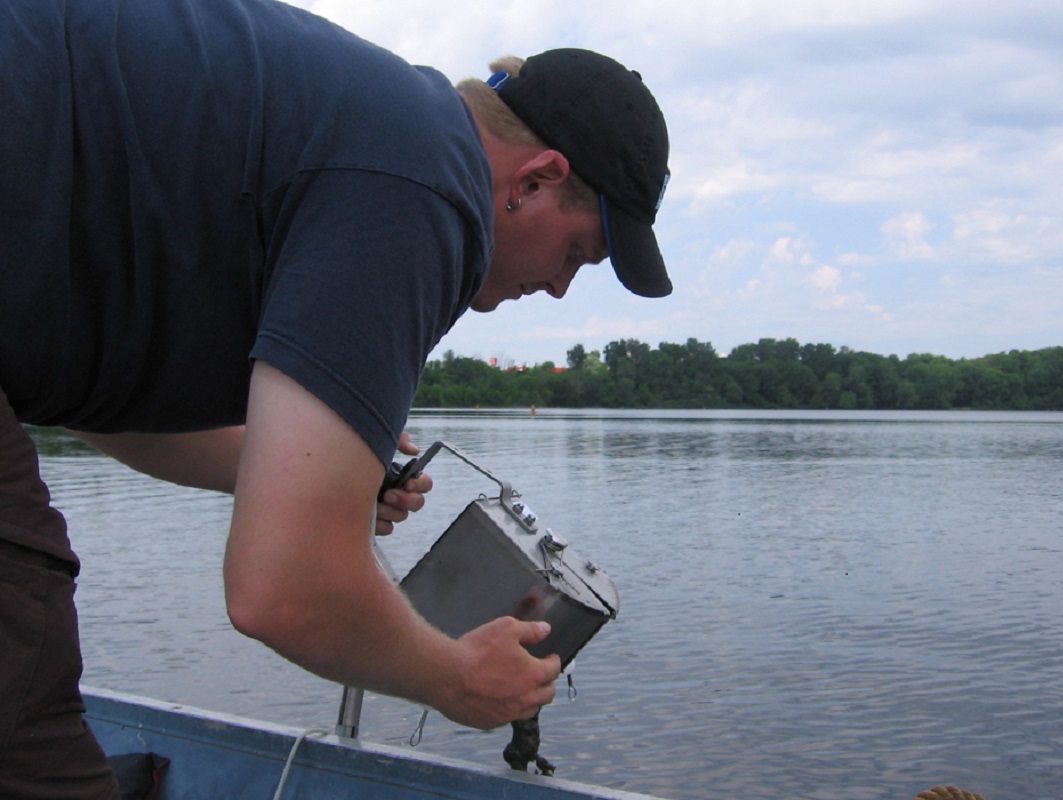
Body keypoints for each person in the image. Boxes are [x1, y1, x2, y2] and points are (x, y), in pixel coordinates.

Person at [0, 0, 672, 795]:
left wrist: (305, 477)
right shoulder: (426, 184)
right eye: (579, 253)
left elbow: (93, 400)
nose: (561, 288)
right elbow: (281, 590)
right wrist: (451, 674)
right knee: (22, 696)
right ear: (535, 179)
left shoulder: (362, 138)